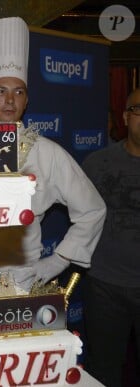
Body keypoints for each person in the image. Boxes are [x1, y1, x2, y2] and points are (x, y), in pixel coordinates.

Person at [0, 17, 106, 290]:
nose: (10, 100)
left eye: (18, 92)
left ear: (26, 100)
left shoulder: (47, 154)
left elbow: (93, 209)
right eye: (0, 91)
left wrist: (55, 263)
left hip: (19, 279)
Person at [81, 88, 140, 387]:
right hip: (105, 286)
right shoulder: (97, 163)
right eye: (139, 109)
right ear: (126, 115)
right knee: (103, 372)